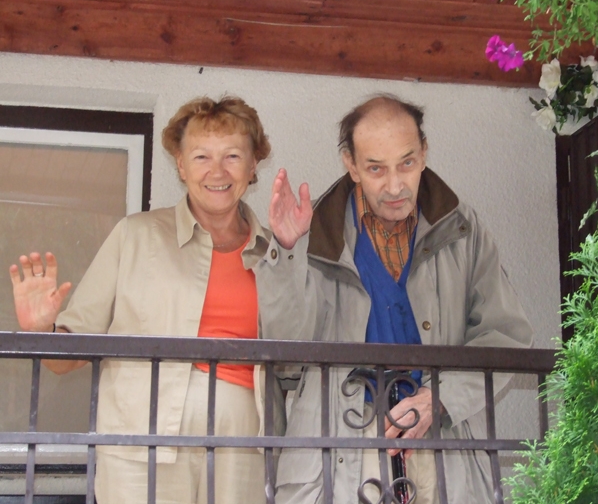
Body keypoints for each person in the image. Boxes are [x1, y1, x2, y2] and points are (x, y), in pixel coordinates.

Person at [256, 94, 534, 504]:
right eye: (375, 168)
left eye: (406, 163)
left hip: (442, 451)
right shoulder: (312, 234)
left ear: (424, 153)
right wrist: (285, 251)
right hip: (337, 455)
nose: (394, 185)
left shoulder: (463, 228)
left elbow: (507, 336)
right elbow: (286, 357)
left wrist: (439, 398)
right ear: (351, 165)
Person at [9, 96, 277, 504]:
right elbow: (68, 358)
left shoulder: (275, 253)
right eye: (201, 156)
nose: (217, 171)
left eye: (233, 156)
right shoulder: (135, 235)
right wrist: (41, 330)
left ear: (253, 164)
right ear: (180, 165)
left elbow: (301, 357)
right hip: (141, 440)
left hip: (242, 442)